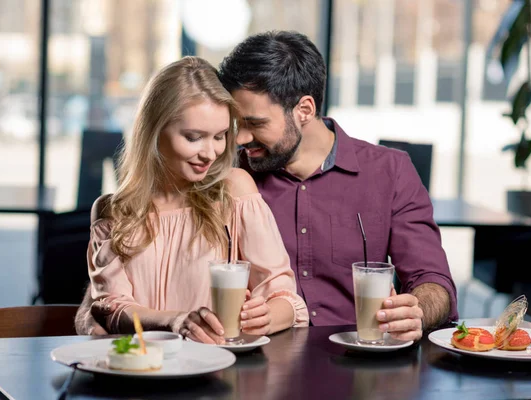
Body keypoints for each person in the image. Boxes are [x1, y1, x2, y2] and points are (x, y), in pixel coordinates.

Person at [78, 31, 457, 342]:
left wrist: (418, 311)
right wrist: (103, 313)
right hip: (259, 369)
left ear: (304, 110)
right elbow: (117, 284)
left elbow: (434, 281)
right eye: (232, 126)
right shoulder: (219, 177)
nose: (238, 140)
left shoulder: (389, 172)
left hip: (360, 362)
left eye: (254, 123)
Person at [75, 56, 308, 342]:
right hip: (139, 373)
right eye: (194, 137)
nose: (210, 153)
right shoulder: (113, 210)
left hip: (219, 370)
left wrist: (268, 315)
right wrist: (175, 321)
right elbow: (110, 308)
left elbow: (283, 294)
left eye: (220, 136)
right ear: (154, 131)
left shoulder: (234, 190)